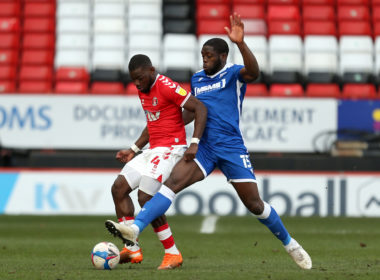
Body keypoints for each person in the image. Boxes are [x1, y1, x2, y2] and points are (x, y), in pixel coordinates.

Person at [106, 14, 312, 270]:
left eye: (209, 55)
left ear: (223, 56)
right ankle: (134, 228)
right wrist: (166, 127)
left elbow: (255, 73)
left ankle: (290, 243)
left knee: (255, 204)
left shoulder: (234, 73)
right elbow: (190, 111)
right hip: (204, 148)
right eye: (203, 55)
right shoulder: (197, 79)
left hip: (231, 147)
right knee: (170, 185)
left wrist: (241, 43)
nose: (204, 59)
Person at [105, 54, 207, 270]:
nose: (137, 83)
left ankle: (172, 253)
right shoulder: (143, 88)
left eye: (140, 78)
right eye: (134, 80)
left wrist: (194, 143)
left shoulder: (167, 85)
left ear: (152, 70)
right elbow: (153, 122)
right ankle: (132, 250)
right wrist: (133, 149)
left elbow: (199, 107)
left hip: (171, 149)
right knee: (118, 188)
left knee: (145, 197)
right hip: (152, 149)